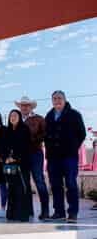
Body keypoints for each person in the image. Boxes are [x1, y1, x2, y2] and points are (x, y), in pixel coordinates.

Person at [45, 90, 86, 223]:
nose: (57, 100)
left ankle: (72, 213)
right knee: (55, 185)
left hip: (69, 156)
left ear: (64, 99)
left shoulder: (75, 115)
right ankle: (59, 212)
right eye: (54, 98)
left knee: (70, 183)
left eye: (59, 98)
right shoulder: (49, 116)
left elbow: (82, 134)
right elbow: (45, 135)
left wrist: (72, 146)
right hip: (53, 158)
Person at [15, 96, 49, 219]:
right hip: (21, 157)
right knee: (25, 183)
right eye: (22, 105)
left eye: (27, 105)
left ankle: (45, 210)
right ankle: (28, 210)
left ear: (31, 107)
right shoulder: (16, 120)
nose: (24, 107)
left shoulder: (39, 119)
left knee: (39, 181)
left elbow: (45, 134)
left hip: (35, 153)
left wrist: (31, 140)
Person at [2, 110, 32, 222]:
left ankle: (23, 214)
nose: (12, 117)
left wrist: (15, 158)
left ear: (19, 117)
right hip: (9, 165)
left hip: (21, 164)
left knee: (22, 188)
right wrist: (6, 158)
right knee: (11, 188)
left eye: (15, 115)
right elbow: (3, 147)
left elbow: (26, 147)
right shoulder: (7, 131)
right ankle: (12, 213)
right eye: (11, 116)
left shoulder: (24, 130)